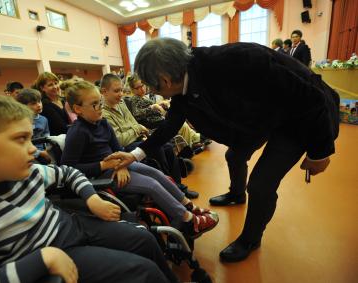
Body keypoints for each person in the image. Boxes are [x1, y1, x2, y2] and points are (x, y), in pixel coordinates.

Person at [105, 38, 339, 262]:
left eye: (150, 86)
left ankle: (250, 240)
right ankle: (237, 194)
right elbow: (169, 126)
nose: (150, 92)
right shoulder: (183, 88)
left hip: (296, 119)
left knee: (260, 186)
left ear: (164, 80)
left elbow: (312, 97)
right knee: (234, 155)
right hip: (261, 120)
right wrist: (134, 154)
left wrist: (320, 151)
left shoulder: (240, 60)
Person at [0, 94, 179, 283]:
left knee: (144, 239)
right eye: (20, 139)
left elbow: (68, 172)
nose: (33, 149)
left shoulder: (27, 172)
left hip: (71, 225)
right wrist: (40, 260)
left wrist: (91, 197)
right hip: (47, 251)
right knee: (142, 272)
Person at [60, 81, 217, 236]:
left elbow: (118, 150)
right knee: (151, 185)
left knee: (158, 174)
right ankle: (189, 221)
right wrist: (102, 165)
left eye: (100, 102)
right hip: (100, 175)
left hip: (117, 166)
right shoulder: (77, 133)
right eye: (95, 105)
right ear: (78, 109)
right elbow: (67, 168)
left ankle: (188, 206)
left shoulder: (103, 123)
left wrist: (121, 166)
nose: (101, 107)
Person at [101, 73, 199, 199]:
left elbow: (133, 122)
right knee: (156, 149)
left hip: (138, 138)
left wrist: (140, 131)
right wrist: (137, 129)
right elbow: (120, 139)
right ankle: (169, 190)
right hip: (126, 147)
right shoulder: (103, 113)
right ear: (104, 91)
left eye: (121, 90)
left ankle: (179, 187)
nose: (120, 94)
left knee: (167, 146)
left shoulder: (121, 103)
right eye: (116, 91)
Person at [127, 74, 204, 149]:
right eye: (138, 88)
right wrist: (152, 107)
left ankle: (195, 140)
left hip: (159, 119)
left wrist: (160, 104)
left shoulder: (144, 97)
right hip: (153, 124)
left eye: (142, 85)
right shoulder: (135, 99)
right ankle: (193, 142)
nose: (142, 89)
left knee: (181, 123)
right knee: (181, 125)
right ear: (132, 90)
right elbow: (136, 113)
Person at [16, 88, 52, 164]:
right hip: (28, 153)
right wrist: (39, 153)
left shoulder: (43, 119)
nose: (39, 105)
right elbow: (22, 143)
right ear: (23, 106)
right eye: (33, 103)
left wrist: (47, 150)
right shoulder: (20, 122)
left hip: (43, 151)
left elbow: (46, 135)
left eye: (39, 101)